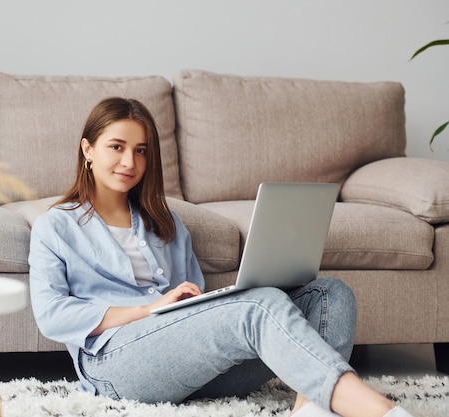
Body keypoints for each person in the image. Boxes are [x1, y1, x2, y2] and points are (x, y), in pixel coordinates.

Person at [28, 97, 415, 417]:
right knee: (258, 307)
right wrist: (147, 310)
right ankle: (381, 412)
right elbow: (52, 316)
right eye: (117, 147)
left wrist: (201, 304)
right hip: (115, 366)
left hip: (189, 365)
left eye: (141, 151)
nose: (130, 162)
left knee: (330, 293)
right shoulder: (55, 227)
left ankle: (312, 408)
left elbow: (190, 296)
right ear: (88, 149)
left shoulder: (166, 223)